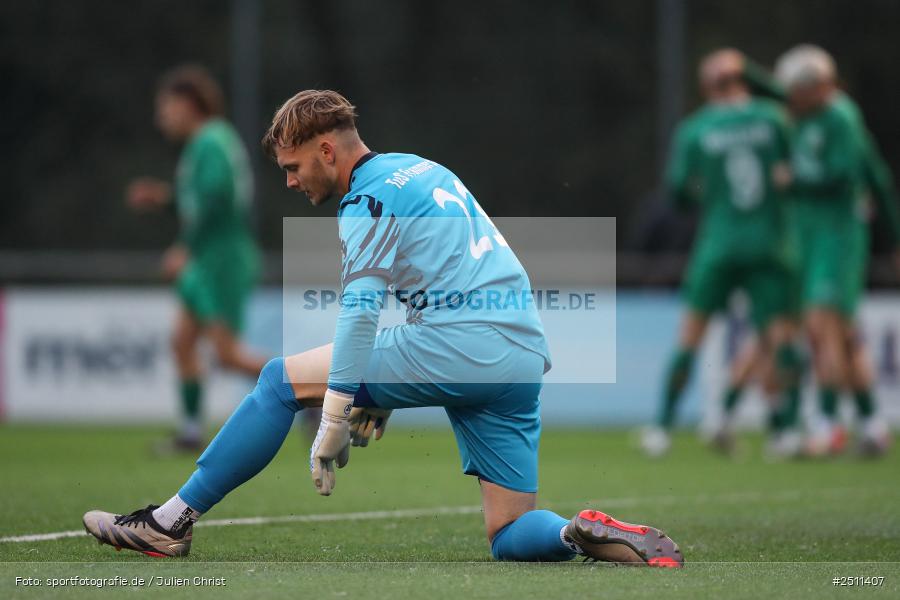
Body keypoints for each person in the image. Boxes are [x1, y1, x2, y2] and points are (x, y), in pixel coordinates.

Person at [83, 90, 683, 566]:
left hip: (463, 342)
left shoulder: (364, 198)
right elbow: (443, 276)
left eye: (293, 168)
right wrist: (386, 393)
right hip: (522, 355)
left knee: (276, 383)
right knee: (508, 532)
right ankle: (575, 533)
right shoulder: (420, 169)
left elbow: (362, 309)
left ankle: (168, 523)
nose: (289, 183)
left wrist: (336, 413)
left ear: (326, 150)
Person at [642, 49, 802, 458]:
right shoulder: (772, 118)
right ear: (743, 80)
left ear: (706, 87)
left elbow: (678, 193)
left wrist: (705, 191)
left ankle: (661, 428)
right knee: (777, 337)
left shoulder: (695, 129)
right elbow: (793, 159)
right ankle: (785, 431)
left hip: (719, 243)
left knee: (691, 336)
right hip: (769, 242)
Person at [126, 65, 266, 451]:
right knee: (183, 342)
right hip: (209, 258)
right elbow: (203, 199)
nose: (161, 117)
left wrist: (185, 245)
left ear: (188, 104)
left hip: (221, 259)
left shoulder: (210, 140)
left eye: (166, 107)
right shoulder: (208, 142)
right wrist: (166, 199)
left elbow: (218, 198)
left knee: (227, 356)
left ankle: (312, 392)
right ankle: (190, 433)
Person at [772, 45, 897, 457]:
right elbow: (877, 174)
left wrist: (794, 182)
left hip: (838, 236)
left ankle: (827, 426)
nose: (790, 96)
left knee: (821, 325)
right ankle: (874, 425)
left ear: (817, 87)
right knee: (841, 335)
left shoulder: (841, 117)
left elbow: (848, 176)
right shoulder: (809, 115)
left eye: (797, 89)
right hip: (815, 235)